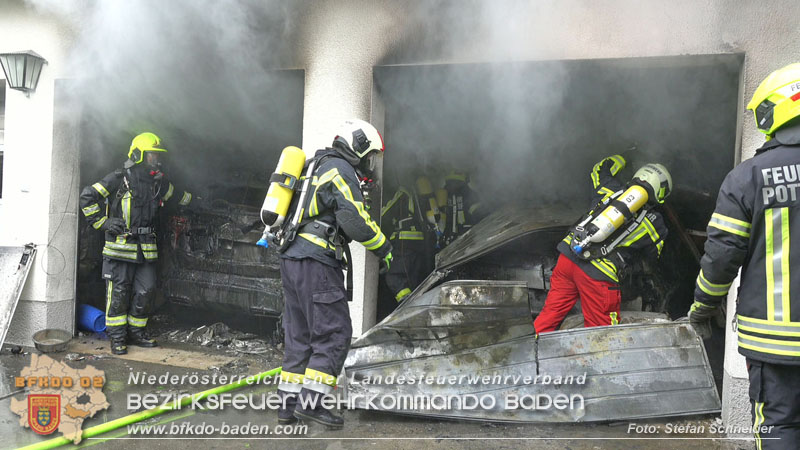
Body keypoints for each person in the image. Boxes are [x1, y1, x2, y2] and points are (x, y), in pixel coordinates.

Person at [686, 63, 800, 449]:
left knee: (779, 427)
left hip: (777, 343)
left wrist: (702, 307)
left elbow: (720, 259)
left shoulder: (749, 177)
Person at [276, 119, 393, 429]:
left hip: (292, 260)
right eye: (370, 156)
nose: (371, 164)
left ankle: (288, 407)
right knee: (334, 334)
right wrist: (385, 248)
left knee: (300, 337)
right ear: (357, 149)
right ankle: (312, 405)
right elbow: (354, 219)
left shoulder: (315, 164)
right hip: (317, 263)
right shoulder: (340, 170)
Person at [79, 132, 194, 355]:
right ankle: (118, 338)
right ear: (139, 154)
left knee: (146, 291)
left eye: (157, 155)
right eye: (152, 154)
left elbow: (179, 197)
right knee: (119, 294)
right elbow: (87, 196)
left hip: (146, 251)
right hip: (120, 248)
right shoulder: (119, 178)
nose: (157, 159)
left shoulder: (157, 183)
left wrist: (199, 201)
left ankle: (136, 333)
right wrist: (102, 223)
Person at [534, 155, 671, 333]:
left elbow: (599, 168)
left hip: (568, 257)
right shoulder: (655, 223)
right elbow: (652, 258)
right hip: (598, 276)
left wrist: (624, 156)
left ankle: (530, 354)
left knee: (549, 316)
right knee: (603, 336)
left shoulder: (609, 190)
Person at [380, 178, 434, 308]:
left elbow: (384, 213)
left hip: (405, 240)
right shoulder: (420, 194)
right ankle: (415, 306)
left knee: (394, 276)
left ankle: (406, 305)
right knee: (412, 280)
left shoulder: (402, 192)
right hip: (420, 242)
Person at [441, 170, 485, 247]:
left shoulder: (444, 193)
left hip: (462, 238)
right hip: (461, 239)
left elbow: (478, 214)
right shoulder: (445, 195)